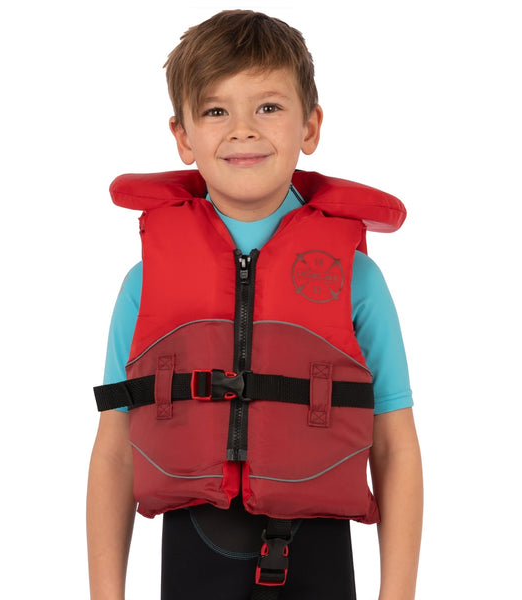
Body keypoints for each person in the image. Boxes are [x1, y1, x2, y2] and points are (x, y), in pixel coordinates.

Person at [87, 9, 423, 600]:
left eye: (268, 106)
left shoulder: (357, 280)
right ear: (183, 137)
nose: (243, 130)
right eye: (216, 111)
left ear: (310, 126)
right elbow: (115, 451)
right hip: (194, 570)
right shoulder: (146, 283)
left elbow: (395, 445)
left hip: (320, 571)